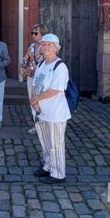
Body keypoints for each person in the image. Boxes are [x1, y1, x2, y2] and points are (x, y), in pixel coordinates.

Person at [30, 33, 71, 184]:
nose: (45, 47)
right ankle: (47, 166)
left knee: (56, 143)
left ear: (56, 48)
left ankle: (58, 173)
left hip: (55, 112)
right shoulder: (41, 63)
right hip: (40, 110)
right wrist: (34, 99)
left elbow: (56, 89)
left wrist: (36, 98)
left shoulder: (60, 67)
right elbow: (35, 83)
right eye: (44, 44)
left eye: (49, 45)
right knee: (45, 142)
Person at [20, 24, 48, 135]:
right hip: (31, 78)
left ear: (43, 34)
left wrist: (31, 63)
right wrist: (24, 68)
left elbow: (44, 65)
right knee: (32, 100)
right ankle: (37, 125)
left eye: (36, 33)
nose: (33, 35)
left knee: (41, 101)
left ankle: (45, 124)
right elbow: (23, 62)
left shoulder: (46, 47)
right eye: (32, 33)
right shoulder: (32, 46)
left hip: (41, 79)